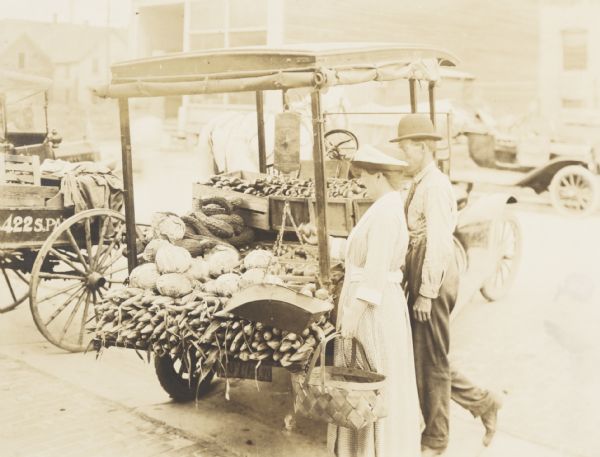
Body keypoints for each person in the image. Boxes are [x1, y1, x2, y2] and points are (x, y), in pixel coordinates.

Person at [391, 114, 502, 456]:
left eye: (406, 149)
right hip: (426, 267)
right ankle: (484, 402)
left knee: (433, 361)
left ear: (422, 147)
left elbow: (438, 242)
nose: (403, 157)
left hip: (434, 272)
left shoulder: (435, 186)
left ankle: (436, 441)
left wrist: (426, 292)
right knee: (427, 355)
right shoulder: (422, 180)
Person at [324, 144, 422, 457]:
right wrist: (329, 243)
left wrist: (353, 314)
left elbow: (375, 270)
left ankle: (375, 451)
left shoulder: (386, 212)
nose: (360, 182)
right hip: (374, 303)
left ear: (379, 175)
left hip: (373, 311)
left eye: (364, 176)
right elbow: (362, 255)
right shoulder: (384, 206)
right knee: (365, 378)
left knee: (368, 379)